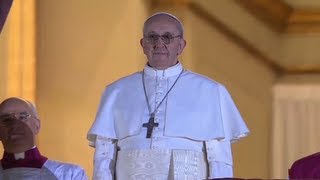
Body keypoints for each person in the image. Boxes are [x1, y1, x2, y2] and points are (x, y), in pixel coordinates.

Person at [87, 12, 249, 179]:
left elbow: (219, 158)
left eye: (167, 37)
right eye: (152, 37)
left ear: (181, 45)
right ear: (143, 44)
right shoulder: (117, 91)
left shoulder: (211, 91)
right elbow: (104, 154)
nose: (159, 43)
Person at [0, 97, 88, 180]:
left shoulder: (70, 175)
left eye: (22, 117)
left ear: (37, 125)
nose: (15, 125)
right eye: (6, 119)